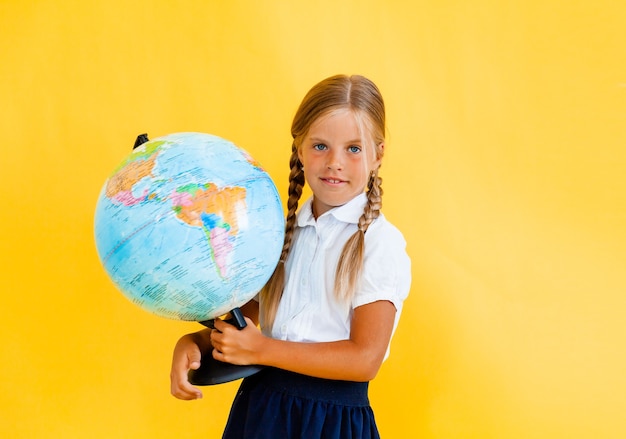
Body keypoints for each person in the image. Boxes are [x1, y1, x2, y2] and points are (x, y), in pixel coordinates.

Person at [170, 74, 411, 439]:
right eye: (319, 146)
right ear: (299, 148)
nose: (335, 162)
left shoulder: (380, 244)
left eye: (353, 148)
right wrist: (194, 344)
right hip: (263, 412)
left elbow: (365, 359)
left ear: (378, 155)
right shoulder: (274, 234)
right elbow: (244, 328)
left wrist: (263, 349)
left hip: (330, 423)